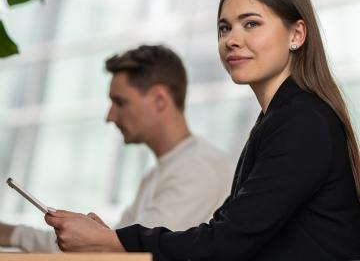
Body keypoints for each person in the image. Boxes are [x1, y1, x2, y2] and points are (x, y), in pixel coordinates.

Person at [44, 0, 360, 260]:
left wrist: (114, 241)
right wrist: (110, 238)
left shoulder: (301, 122)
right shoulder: (279, 118)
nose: (232, 40)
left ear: (297, 34)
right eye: (225, 28)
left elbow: (224, 243)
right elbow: (223, 231)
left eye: (251, 23)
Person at [0, 45, 233, 253]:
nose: (110, 116)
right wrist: (12, 234)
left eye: (120, 102)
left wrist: (16, 235)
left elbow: (132, 254)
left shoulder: (198, 169)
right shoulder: (160, 173)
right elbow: (111, 244)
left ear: (160, 99)